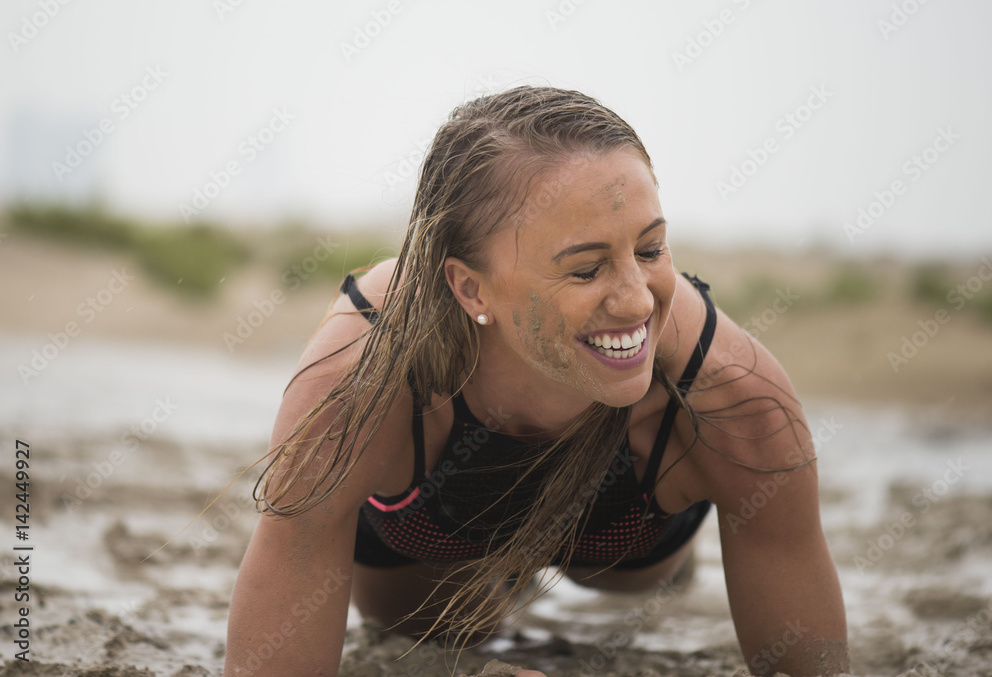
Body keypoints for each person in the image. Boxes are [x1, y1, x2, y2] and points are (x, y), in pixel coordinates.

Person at [223, 85, 849, 677]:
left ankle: (633, 563)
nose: (636, 303)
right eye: (586, 270)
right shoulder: (359, 384)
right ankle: (500, 576)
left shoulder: (735, 400)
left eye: (652, 250)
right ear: (469, 287)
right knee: (441, 630)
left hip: (625, 541)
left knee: (632, 584)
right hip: (429, 536)